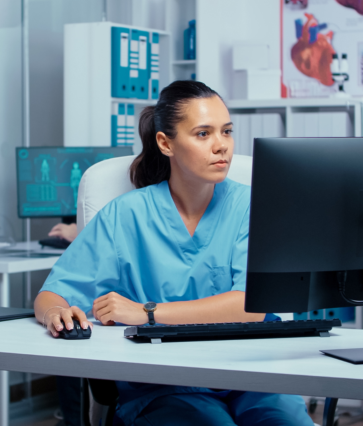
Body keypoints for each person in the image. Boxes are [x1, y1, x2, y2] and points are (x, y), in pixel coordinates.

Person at [34, 80, 313, 426]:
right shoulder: (126, 215)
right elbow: (52, 293)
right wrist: (55, 314)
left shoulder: (252, 204)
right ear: (166, 143)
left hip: (251, 373)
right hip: (167, 383)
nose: (221, 146)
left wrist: (146, 312)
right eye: (203, 134)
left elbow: (250, 306)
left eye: (226, 132)